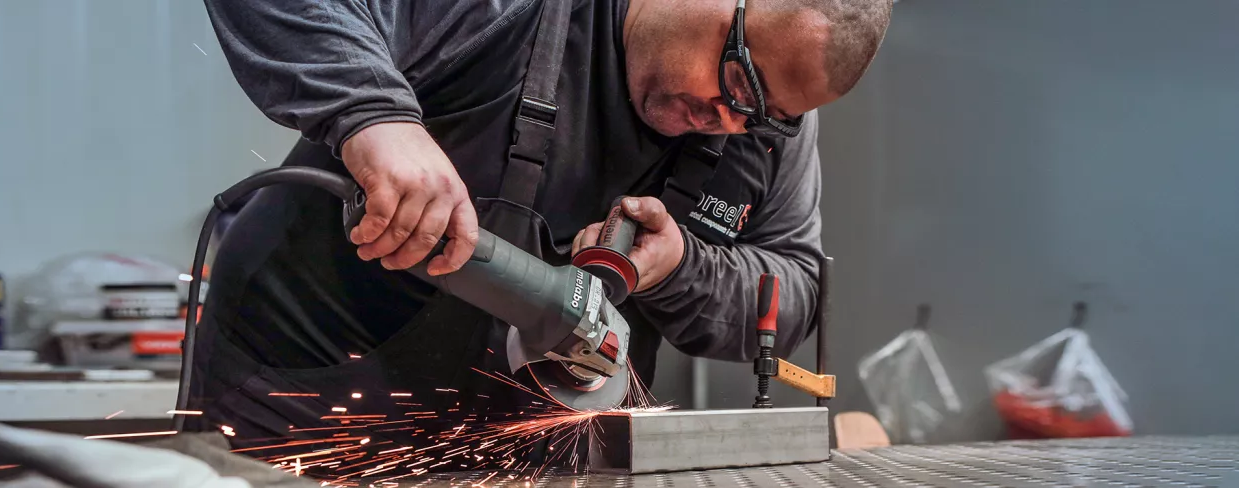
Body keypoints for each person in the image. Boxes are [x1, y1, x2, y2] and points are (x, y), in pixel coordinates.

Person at [185, 0, 891, 471]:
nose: (730, 119)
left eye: (764, 117)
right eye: (735, 78)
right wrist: (373, 115)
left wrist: (683, 269)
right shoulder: (513, 13)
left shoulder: (762, 121)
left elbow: (793, 284)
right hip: (305, 390)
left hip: (522, 449)